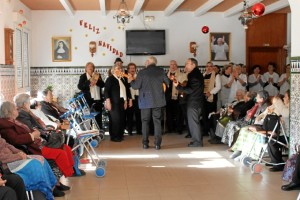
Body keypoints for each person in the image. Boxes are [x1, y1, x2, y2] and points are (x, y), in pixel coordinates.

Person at [128, 56, 169, 150]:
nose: (145, 62)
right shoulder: (161, 71)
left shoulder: (142, 72)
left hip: (145, 101)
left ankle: (145, 144)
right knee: (157, 122)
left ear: (149, 62)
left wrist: (131, 81)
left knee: (145, 122)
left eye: (146, 61)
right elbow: (167, 82)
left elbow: (136, 86)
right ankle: (157, 144)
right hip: (158, 101)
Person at [0, 135, 58, 200]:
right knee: (35, 164)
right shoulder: (6, 125)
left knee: (41, 159)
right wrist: (18, 156)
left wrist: (20, 152)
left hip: (15, 157)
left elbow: (6, 144)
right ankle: (45, 191)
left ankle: (50, 189)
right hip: (6, 164)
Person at [173, 58, 204, 147]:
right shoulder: (196, 74)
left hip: (194, 102)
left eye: (187, 63)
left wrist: (178, 86)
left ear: (193, 65)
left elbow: (191, 90)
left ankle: (197, 142)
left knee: (193, 122)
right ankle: (197, 140)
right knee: (195, 122)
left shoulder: (193, 75)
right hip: (196, 102)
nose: (185, 65)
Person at [104, 65, 131, 142]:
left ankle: (120, 135)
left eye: (121, 69)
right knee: (115, 120)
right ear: (113, 70)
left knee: (122, 119)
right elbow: (106, 91)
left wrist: (126, 101)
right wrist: (108, 101)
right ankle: (114, 136)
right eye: (118, 68)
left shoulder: (122, 79)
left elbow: (126, 91)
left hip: (122, 102)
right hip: (113, 103)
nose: (120, 70)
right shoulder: (110, 79)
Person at [78, 62, 105, 129]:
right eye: (89, 67)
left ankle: (99, 132)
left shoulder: (97, 75)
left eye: (92, 67)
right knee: (88, 117)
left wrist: (96, 81)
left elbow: (103, 85)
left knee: (98, 117)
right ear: (86, 68)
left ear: (93, 68)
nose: (90, 68)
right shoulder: (83, 76)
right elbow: (80, 86)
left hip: (97, 99)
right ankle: (89, 133)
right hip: (87, 99)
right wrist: (89, 81)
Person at [165, 60, 187, 134]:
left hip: (178, 96)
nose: (173, 66)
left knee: (179, 114)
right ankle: (170, 128)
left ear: (176, 66)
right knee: (169, 113)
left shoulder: (181, 74)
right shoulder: (166, 75)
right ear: (169, 66)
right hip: (168, 96)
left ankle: (179, 128)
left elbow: (184, 84)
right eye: (171, 64)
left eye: (174, 64)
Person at [202, 61, 221, 137]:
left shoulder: (216, 75)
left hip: (212, 97)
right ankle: (205, 130)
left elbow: (218, 87)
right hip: (203, 97)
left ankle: (212, 130)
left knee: (211, 114)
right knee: (204, 114)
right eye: (207, 66)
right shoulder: (203, 75)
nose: (208, 68)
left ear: (213, 67)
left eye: (210, 66)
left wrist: (210, 92)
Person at [125, 63, 141, 135]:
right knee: (129, 115)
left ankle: (139, 130)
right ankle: (130, 131)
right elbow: (125, 88)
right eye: (130, 68)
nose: (132, 69)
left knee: (138, 115)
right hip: (129, 98)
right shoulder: (125, 77)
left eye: (133, 68)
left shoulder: (139, 76)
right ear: (128, 69)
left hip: (138, 97)